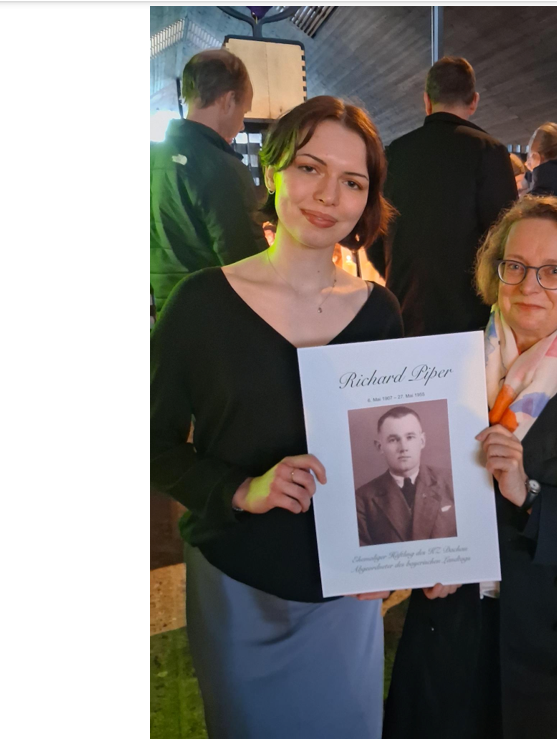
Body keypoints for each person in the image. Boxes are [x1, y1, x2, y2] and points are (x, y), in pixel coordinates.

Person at [151, 96, 401, 739]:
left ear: (367, 200)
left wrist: (398, 554)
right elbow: (151, 444)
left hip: (345, 589)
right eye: (310, 168)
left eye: (352, 182)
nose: (328, 196)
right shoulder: (201, 303)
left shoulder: (379, 312)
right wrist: (241, 488)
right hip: (240, 583)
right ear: (273, 170)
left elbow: (390, 445)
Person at [383, 195, 557, 739]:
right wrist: (413, 559)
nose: (530, 285)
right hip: (453, 626)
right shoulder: (437, 366)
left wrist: (532, 495)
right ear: (496, 273)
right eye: (515, 266)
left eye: (554, 271)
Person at [366, 56, 518, 337]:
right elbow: (507, 241)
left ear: (427, 101)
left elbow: (374, 235)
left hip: (405, 313)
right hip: (470, 319)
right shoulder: (490, 152)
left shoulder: (395, 153)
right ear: (474, 101)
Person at [150, 48, 268, 315]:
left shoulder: (151, 157)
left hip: (166, 316)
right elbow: (251, 268)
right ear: (228, 101)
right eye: (244, 111)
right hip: (214, 319)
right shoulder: (222, 167)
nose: (241, 125)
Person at [355, 406, 457, 547]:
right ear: (380, 447)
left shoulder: (452, 481)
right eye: (393, 440)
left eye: (410, 437)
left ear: (422, 441)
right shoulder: (362, 499)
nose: (403, 447)